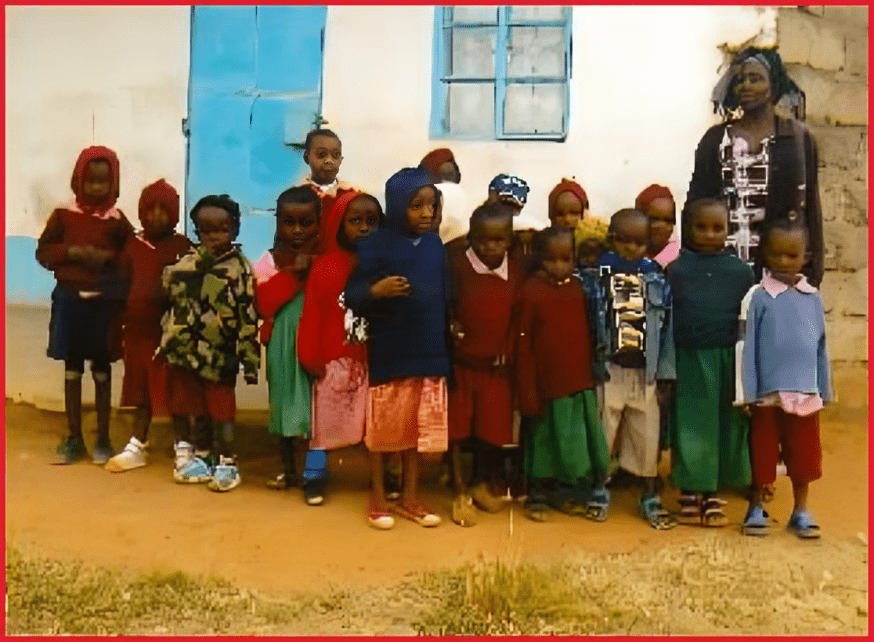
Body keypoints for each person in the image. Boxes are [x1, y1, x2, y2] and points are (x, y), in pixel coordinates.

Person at [345, 167, 450, 530]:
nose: (425, 214)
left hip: (428, 351)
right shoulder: (376, 244)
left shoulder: (436, 246)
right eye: (415, 206)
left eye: (431, 206)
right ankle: (377, 499)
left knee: (415, 434)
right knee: (384, 432)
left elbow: (445, 296)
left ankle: (410, 498)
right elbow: (354, 294)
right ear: (396, 205)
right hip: (391, 351)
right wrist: (376, 291)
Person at [686, 46, 823, 286]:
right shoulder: (716, 140)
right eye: (740, 80)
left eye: (755, 79)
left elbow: (810, 210)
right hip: (721, 277)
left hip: (776, 276)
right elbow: (695, 207)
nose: (746, 86)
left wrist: (811, 277)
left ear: (774, 85)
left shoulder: (798, 140)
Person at [36, 146, 133, 465]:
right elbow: (44, 252)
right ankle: (74, 437)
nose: (95, 188)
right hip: (69, 301)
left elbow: (128, 260)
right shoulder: (63, 216)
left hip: (102, 306)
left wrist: (109, 260)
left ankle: (102, 438)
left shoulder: (118, 222)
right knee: (72, 369)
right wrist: (73, 253)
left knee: (102, 371)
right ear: (78, 180)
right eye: (90, 181)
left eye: (103, 183)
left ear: (114, 184)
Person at [737, 219, 831, 539]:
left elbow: (820, 345)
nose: (782, 262)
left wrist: (824, 388)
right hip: (767, 395)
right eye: (775, 255)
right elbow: (748, 348)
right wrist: (749, 392)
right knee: (762, 453)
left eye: (792, 256)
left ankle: (801, 510)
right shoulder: (760, 297)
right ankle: (755, 507)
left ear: (806, 258)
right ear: (764, 255)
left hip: (805, 392)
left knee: (803, 455)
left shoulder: (813, 298)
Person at [158, 194, 260, 491]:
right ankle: (200, 456)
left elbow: (247, 316)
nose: (214, 237)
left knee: (222, 409)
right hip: (185, 352)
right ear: (197, 231)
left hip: (221, 354)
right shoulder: (185, 264)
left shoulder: (241, 269)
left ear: (236, 230)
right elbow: (168, 290)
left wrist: (250, 361)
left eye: (222, 229)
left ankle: (227, 462)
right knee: (193, 405)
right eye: (206, 230)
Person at [666, 198, 754, 526]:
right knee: (692, 422)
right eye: (700, 227)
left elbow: (749, 319)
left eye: (717, 228)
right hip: (690, 357)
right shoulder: (677, 269)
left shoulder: (741, 271)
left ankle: (714, 490)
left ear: (728, 230)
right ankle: (691, 491)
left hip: (729, 357)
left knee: (725, 423)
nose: (708, 234)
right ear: (687, 229)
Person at [515, 227, 611, 521]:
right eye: (551, 260)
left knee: (573, 443)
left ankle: (565, 492)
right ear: (538, 258)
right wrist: (528, 391)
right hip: (545, 387)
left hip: (576, 381)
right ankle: (537, 495)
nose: (560, 266)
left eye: (566, 259)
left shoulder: (577, 288)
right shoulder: (531, 291)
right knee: (542, 443)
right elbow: (523, 345)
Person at [297, 191, 382, 505]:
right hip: (334, 359)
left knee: (373, 421)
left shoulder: (381, 264)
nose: (363, 228)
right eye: (355, 220)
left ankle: (385, 478)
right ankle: (315, 475)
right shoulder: (326, 266)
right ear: (339, 223)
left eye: (371, 222)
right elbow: (313, 313)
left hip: (369, 359)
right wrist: (310, 354)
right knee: (325, 422)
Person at [599, 209, 677, 529]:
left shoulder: (657, 280)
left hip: (645, 372)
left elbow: (667, 327)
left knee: (647, 434)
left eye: (640, 242)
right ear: (611, 240)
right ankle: (598, 488)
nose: (632, 248)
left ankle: (649, 493)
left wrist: (666, 373)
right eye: (624, 241)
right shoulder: (599, 277)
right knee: (604, 431)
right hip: (610, 369)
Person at [105, 180, 191, 472]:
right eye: (150, 209)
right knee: (141, 393)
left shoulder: (182, 247)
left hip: (170, 335)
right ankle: (137, 445)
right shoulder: (132, 246)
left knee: (176, 390)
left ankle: (183, 445)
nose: (156, 215)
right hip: (139, 334)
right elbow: (119, 286)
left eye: (163, 210)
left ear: (175, 214)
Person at [447, 202, 521, 526]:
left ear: (509, 241)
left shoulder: (516, 270)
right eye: (482, 240)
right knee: (457, 428)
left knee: (490, 429)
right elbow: (447, 308)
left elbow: (516, 316)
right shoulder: (457, 266)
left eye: (498, 240)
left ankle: (479, 483)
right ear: (471, 238)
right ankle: (459, 489)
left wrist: (508, 348)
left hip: (496, 366)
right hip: (462, 364)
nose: (490, 246)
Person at [253, 187, 322, 502]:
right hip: (282, 344)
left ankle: (314, 476)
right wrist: (294, 274)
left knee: (317, 412)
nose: (297, 230)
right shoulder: (269, 262)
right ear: (277, 223)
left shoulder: (326, 261)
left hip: (316, 342)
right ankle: (287, 470)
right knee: (283, 407)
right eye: (289, 222)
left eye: (306, 223)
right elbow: (263, 305)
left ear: (318, 224)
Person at [298, 128, 355, 219]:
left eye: (336, 154)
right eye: (321, 154)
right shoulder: (297, 196)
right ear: (306, 157)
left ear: (341, 159)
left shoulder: (350, 194)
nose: (329, 161)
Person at [636, 184, 680, 268]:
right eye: (653, 219)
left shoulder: (676, 259)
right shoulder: (624, 252)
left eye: (668, 221)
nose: (660, 226)